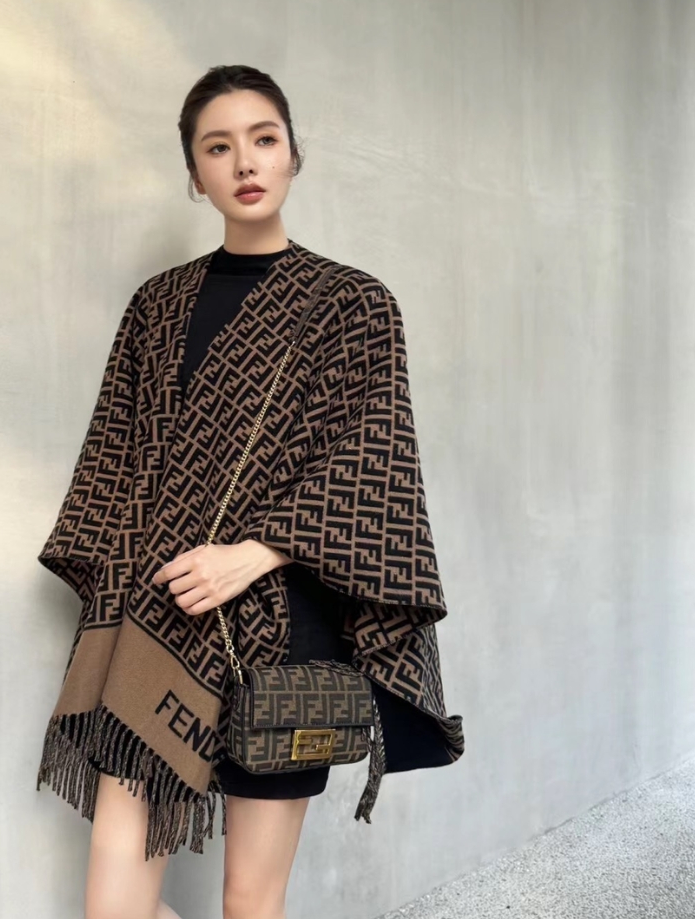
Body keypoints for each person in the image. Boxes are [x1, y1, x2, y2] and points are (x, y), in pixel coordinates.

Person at [36, 64, 464, 919]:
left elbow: (373, 461)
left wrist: (253, 552)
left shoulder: (352, 305)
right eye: (217, 147)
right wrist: (121, 589)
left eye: (263, 139)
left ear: (293, 154)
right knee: (114, 906)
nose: (244, 162)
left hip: (286, 631)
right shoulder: (157, 306)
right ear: (195, 175)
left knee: (250, 902)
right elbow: (116, 459)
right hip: (159, 616)